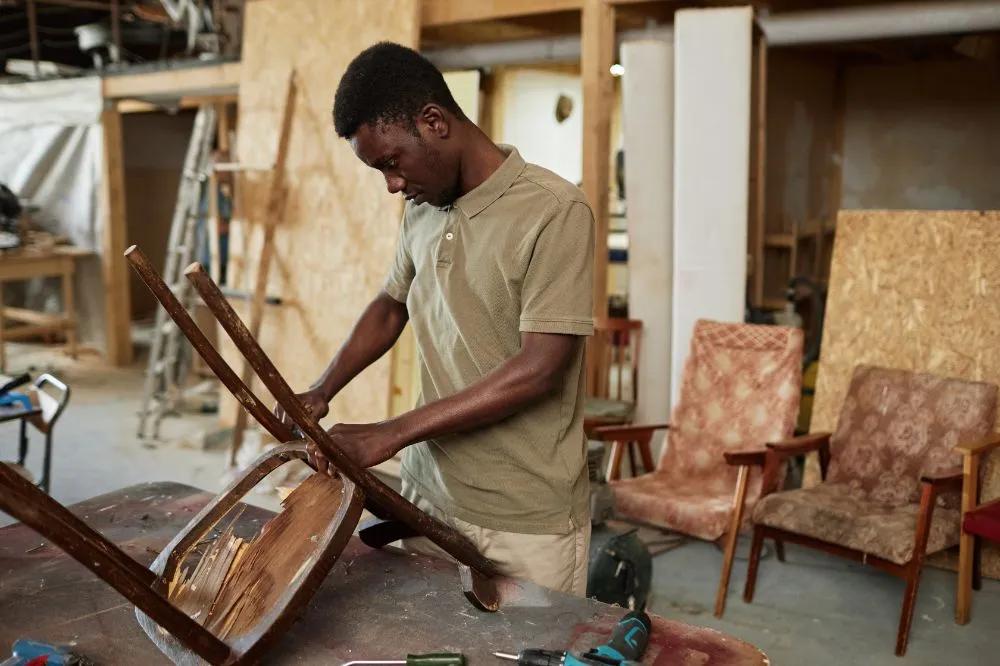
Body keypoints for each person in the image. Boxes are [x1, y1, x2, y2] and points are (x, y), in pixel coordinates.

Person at [275, 41, 596, 597]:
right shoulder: (422, 209)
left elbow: (540, 368)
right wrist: (322, 389)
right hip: (427, 494)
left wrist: (391, 433)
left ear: (434, 122)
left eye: (391, 162)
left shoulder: (554, 210)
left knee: (531, 644)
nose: (393, 184)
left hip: (522, 519)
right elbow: (390, 305)